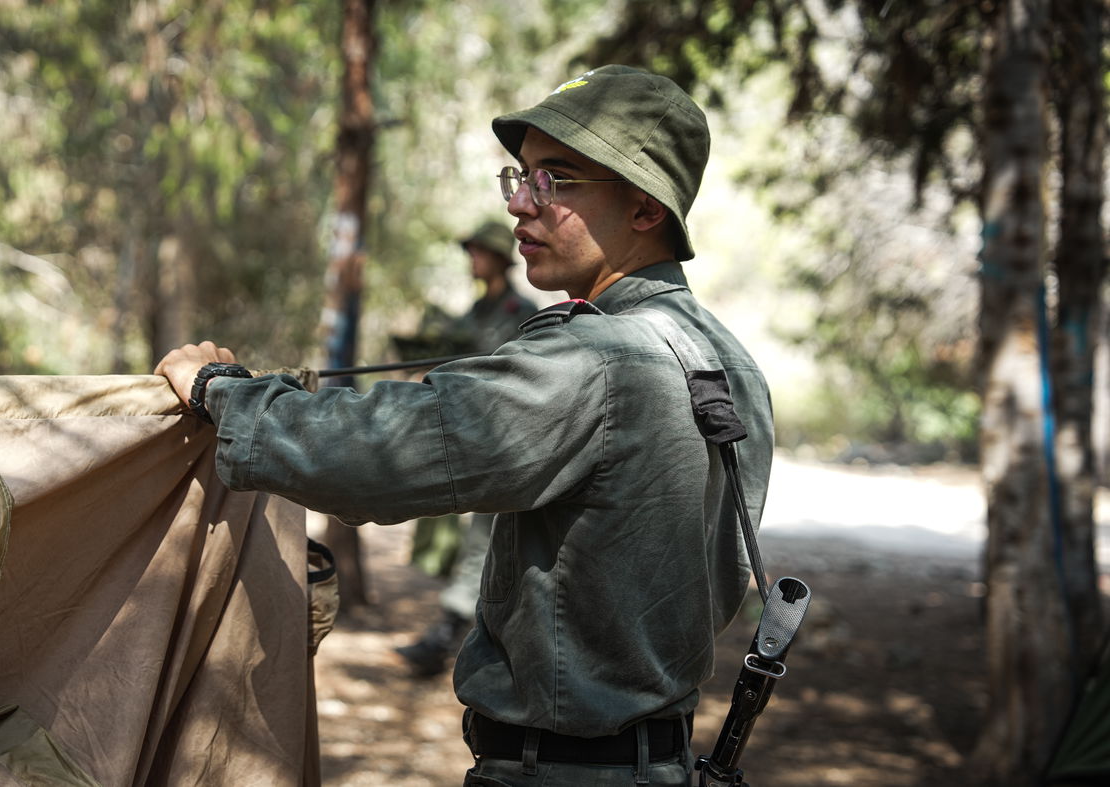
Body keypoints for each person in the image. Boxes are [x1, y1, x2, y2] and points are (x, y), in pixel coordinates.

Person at [157, 65, 774, 787]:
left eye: (555, 180)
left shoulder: (597, 357)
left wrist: (222, 392)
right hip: (655, 763)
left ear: (644, 208)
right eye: (521, 176)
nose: (519, 203)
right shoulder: (732, 363)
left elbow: (382, 454)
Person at [394, 221, 534, 678]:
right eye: (470, 250)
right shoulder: (475, 310)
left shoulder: (520, 311)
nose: (472, 259)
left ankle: (444, 640)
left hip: (506, 444)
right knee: (471, 544)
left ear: (500, 259)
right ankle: (458, 637)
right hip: (469, 438)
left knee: (487, 543)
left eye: (480, 251)